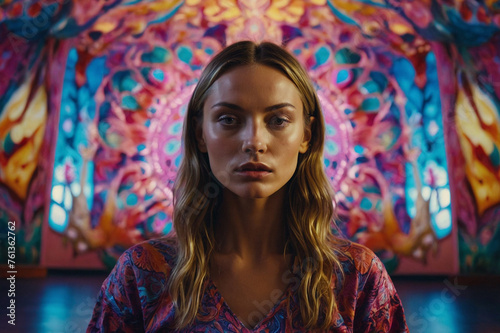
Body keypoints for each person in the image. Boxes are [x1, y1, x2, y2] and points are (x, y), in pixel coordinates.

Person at [87, 40, 408, 332]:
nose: (254, 141)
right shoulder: (143, 274)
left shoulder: (357, 277)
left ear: (306, 136)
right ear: (200, 133)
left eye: (278, 120)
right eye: (229, 119)